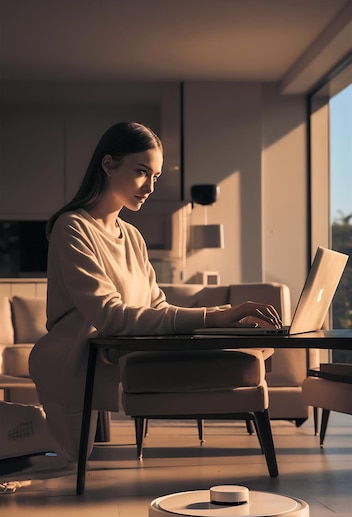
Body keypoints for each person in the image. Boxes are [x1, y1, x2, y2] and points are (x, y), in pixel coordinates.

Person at [10, 121, 281, 470]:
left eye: (155, 176)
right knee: (62, 465)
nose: (150, 187)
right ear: (108, 165)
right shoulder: (72, 228)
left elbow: (157, 307)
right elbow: (110, 315)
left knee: (238, 350)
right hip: (78, 362)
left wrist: (224, 318)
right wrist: (214, 316)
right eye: (141, 173)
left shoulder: (133, 237)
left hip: (119, 354)